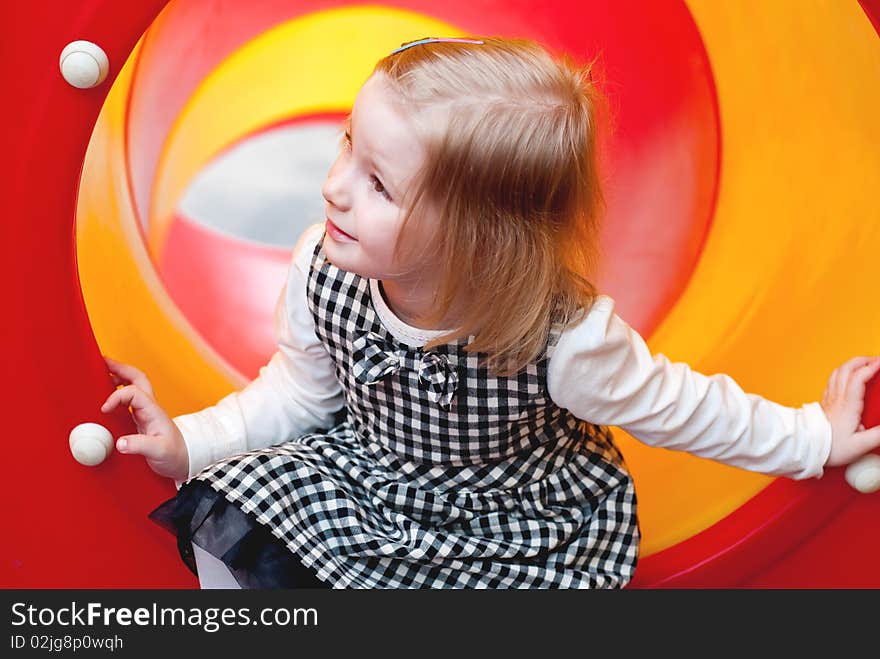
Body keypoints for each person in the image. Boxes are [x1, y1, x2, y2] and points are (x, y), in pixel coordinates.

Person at [101, 36, 880, 589]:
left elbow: (678, 407)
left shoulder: (563, 338)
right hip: (368, 484)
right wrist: (191, 442)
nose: (335, 185)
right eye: (348, 145)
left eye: (379, 184)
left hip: (509, 527)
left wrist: (812, 437)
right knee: (238, 503)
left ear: (475, 237)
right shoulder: (322, 268)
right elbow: (299, 394)